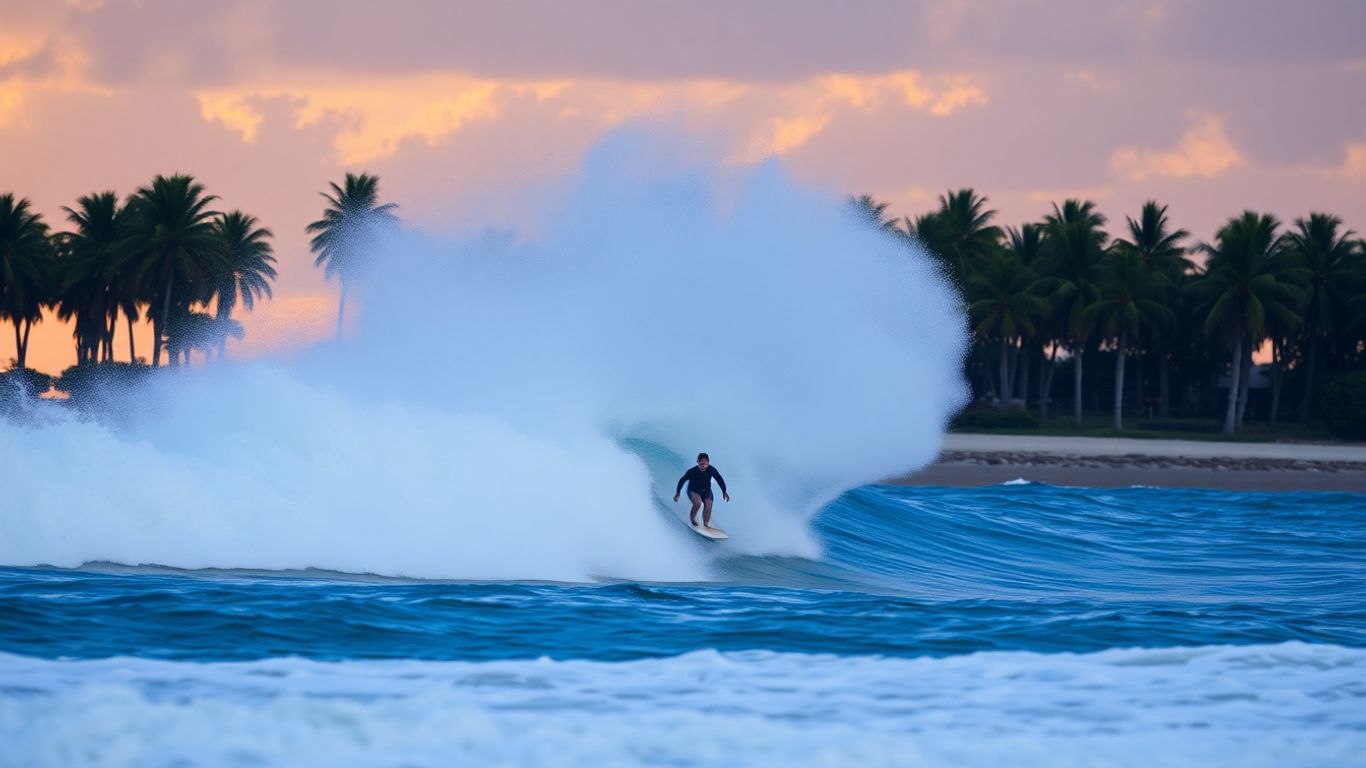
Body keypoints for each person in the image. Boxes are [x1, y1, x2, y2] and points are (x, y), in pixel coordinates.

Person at [674, 453, 729, 528]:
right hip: (693, 490)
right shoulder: (692, 471)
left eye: (705, 464)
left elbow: (719, 479)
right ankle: (692, 519)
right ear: (698, 462)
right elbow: (682, 480)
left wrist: (724, 491)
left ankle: (706, 523)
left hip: (706, 491)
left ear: (708, 462)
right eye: (701, 464)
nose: (703, 466)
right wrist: (678, 493)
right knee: (697, 503)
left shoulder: (711, 470)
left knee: (709, 504)